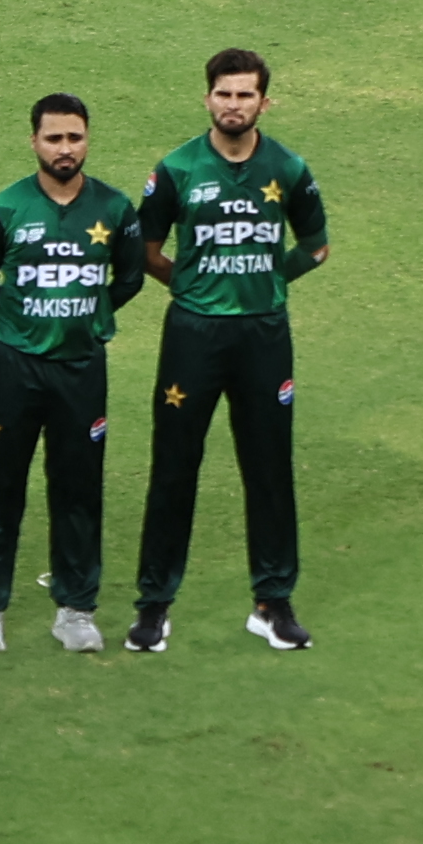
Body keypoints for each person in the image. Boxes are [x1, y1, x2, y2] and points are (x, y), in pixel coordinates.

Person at [126, 45, 323, 653]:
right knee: (174, 467)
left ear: (265, 101)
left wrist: (264, 284)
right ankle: (154, 607)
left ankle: (273, 603)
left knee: (269, 469)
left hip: (263, 335)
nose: (233, 105)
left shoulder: (287, 168)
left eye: (245, 95)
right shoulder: (177, 168)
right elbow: (145, 245)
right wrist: (189, 285)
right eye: (224, 93)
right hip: (193, 335)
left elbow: (315, 246)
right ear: (207, 97)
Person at [0, 93, 139, 655]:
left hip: (82, 367)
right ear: (34, 140)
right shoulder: (6, 208)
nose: (65, 149)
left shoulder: (114, 208)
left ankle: (76, 609)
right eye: (54, 138)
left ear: (87, 140)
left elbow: (129, 279)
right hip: (14, 365)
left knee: (79, 487)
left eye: (75, 138)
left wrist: (84, 319)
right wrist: (22, 319)